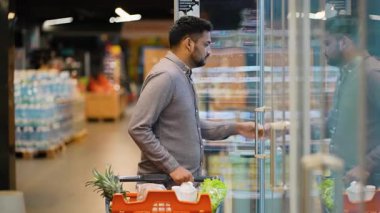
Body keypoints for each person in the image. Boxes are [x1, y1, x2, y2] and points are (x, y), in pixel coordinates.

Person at [128, 16, 260, 186]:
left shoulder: (182, 75)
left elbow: (193, 125)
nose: (209, 51)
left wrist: (237, 128)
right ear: (189, 44)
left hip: (179, 187)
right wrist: (172, 167)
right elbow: (138, 128)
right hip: (163, 188)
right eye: (206, 44)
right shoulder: (166, 76)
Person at [324, 15, 380, 186]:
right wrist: (288, 128)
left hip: (367, 183)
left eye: (327, 43)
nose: (324, 51)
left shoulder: (371, 74)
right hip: (345, 179)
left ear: (344, 42)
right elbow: (333, 123)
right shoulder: (346, 73)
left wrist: (367, 166)